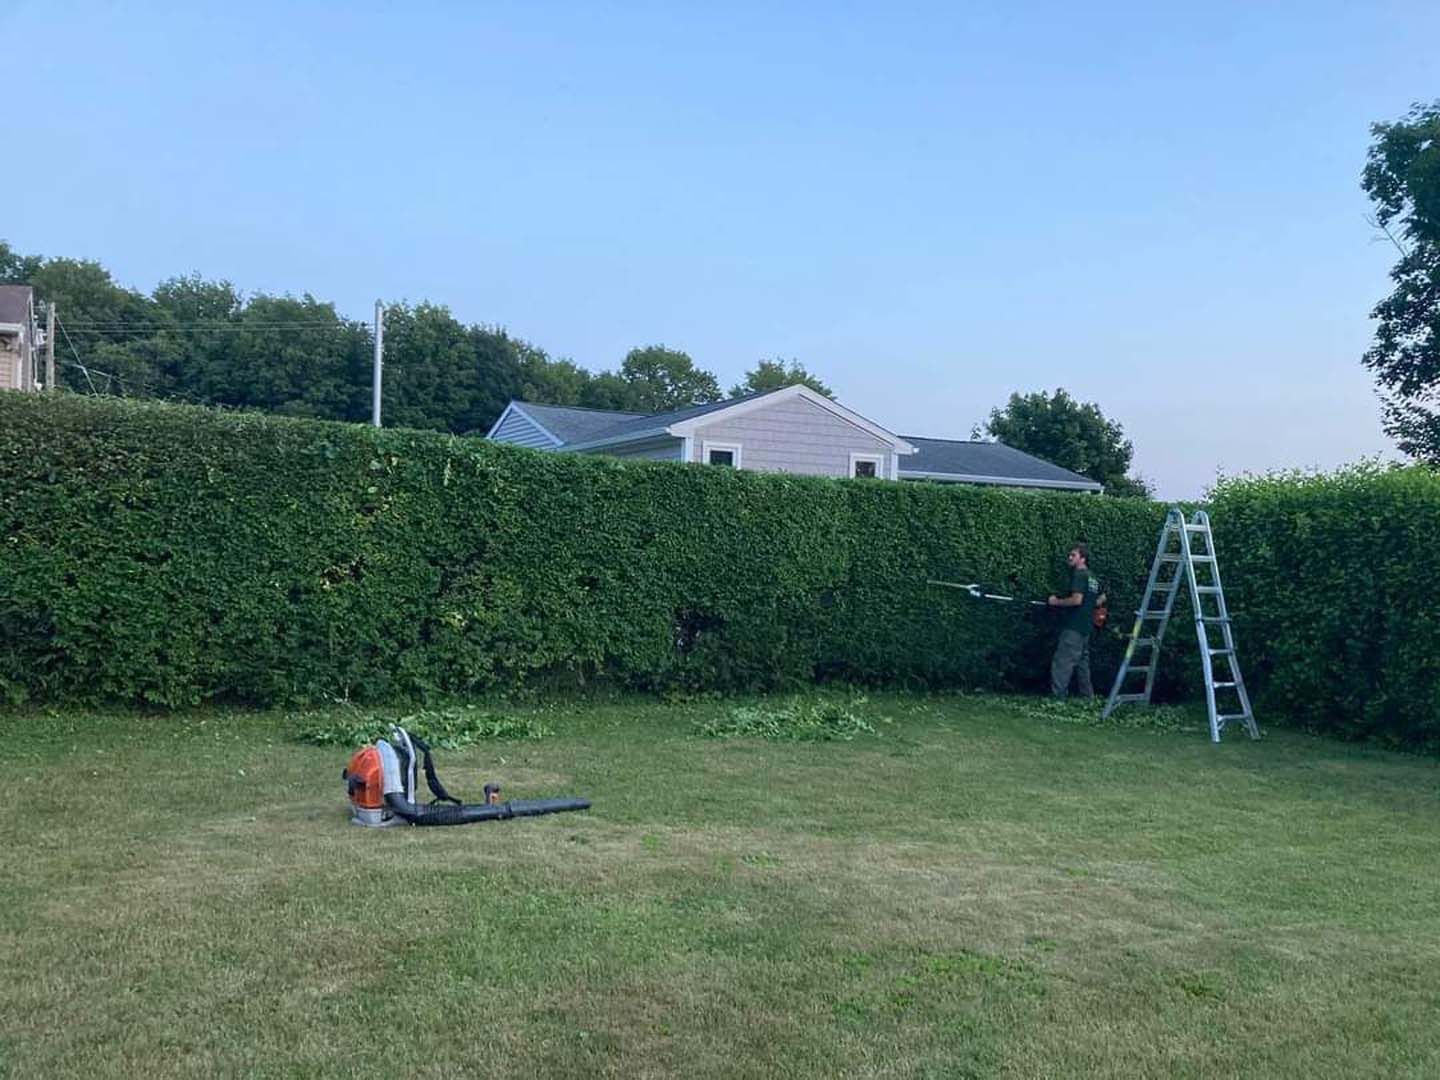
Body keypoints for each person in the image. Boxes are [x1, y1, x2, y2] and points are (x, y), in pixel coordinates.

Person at [1048, 543, 1102, 698]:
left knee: (1062, 662)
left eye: (1073, 555)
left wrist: (1056, 602)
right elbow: (1100, 599)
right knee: (1082, 665)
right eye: (1069, 555)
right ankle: (1088, 697)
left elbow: (1077, 600)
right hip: (1086, 627)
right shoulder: (1092, 577)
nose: (1069, 558)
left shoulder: (1079, 575)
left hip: (1073, 626)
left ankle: (1058, 698)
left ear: (1082, 558)